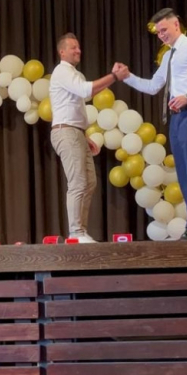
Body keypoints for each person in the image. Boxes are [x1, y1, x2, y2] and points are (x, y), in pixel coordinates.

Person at [114, 8, 187, 239]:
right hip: (178, 116)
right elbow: (154, 86)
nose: (161, 35)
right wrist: (127, 77)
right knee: (183, 170)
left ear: (176, 25)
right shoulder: (168, 56)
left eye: (164, 29)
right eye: (158, 32)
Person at [50, 33, 127, 243]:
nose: (78, 51)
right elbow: (86, 90)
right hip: (66, 131)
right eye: (73, 48)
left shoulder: (74, 74)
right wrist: (114, 77)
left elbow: (86, 95)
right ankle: (75, 232)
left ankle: (80, 231)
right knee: (78, 182)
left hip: (76, 132)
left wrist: (84, 135)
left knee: (89, 182)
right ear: (62, 52)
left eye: (79, 47)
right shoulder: (62, 71)